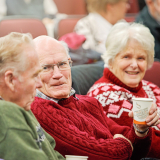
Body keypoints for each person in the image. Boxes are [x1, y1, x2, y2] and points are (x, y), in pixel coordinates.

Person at [31, 35, 159, 160]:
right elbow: (108, 155)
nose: (58, 74)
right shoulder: (39, 108)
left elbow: (135, 151)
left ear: (70, 63)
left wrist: (140, 130)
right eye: (46, 67)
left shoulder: (89, 102)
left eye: (62, 64)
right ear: (31, 72)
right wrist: (122, 143)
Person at [87, 22, 160, 158]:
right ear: (111, 59)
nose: (134, 65)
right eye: (126, 57)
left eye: (141, 58)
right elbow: (150, 147)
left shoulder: (151, 88)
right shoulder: (104, 96)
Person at [0, 32, 65, 160]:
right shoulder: (5, 113)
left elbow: (52, 153)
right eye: (34, 76)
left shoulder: (21, 106)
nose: (39, 83)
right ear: (10, 80)